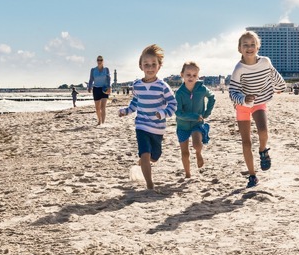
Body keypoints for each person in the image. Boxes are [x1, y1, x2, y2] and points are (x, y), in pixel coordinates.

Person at [228, 31, 286, 188]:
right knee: (246, 142)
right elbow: (232, 92)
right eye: (245, 45)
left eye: (252, 44)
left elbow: (274, 76)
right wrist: (243, 99)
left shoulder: (265, 62)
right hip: (242, 107)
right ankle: (252, 175)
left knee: (263, 131)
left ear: (258, 47)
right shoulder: (238, 68)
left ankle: (263, 150)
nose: (249, 47)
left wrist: (280, 87)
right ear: (239, 49)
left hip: (259, 103)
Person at [119, 44, 177, 190]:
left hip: (157, 129)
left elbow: (173, 104)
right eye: (146, 65)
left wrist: (163, 113)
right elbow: (136, 102)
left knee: (155, 156)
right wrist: (127, 111)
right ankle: (149, 184)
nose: (150, 68)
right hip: (142, 126)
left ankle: (143, 162)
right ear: (140, 66)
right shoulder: (137, 85)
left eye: (153, 65)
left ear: (159, 66)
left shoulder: (163, 86)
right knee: (145, 154)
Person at [175, 61, 216, 178]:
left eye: (194, 75)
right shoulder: (179, 93)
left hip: (197, 124)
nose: (191, 77)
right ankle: (187, 174)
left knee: (197, 143)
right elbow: (178, 113)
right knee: (185, 152)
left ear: (198, 76)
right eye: (188, 74)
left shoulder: (202, 89)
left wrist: (207, 112)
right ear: (182, 74)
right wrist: (193, 116)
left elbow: (212, 97)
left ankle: (198, 153)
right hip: (182, 125)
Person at [88, 55, 111, 125]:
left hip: (104, 89)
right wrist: (89, 87)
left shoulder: (106, 69)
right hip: (96, 89)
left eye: (101, 60)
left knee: (103, 107)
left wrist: (109, 87)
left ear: (103, 61)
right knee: (97, 108)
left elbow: (108, 79)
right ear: (97, 61)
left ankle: (103, 123)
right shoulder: (93, 70)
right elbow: (91, 79)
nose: (99, 61)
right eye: (98, 60)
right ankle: (99, 121)